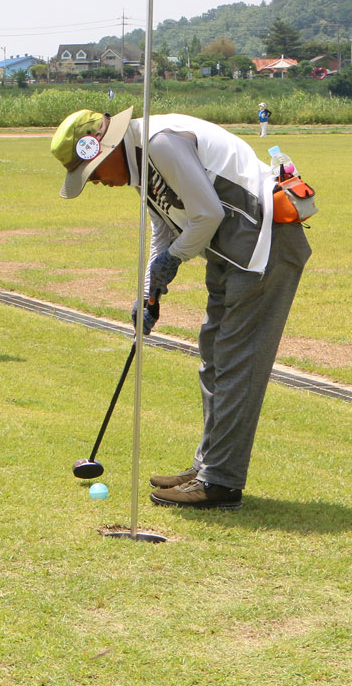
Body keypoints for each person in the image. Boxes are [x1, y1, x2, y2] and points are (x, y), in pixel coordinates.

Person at [48, 107, 311, 509]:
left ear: (108, 148)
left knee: (236, 362)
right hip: (231, 252)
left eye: (93, 171)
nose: (97, 181)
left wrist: (172, 260)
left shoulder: (160, 143)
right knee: (213, 357)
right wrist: (149, 289)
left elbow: (208, 213)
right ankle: (208, 466)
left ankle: (220, 482)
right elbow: (165, 227)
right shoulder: (139, 160)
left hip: (264, 249)